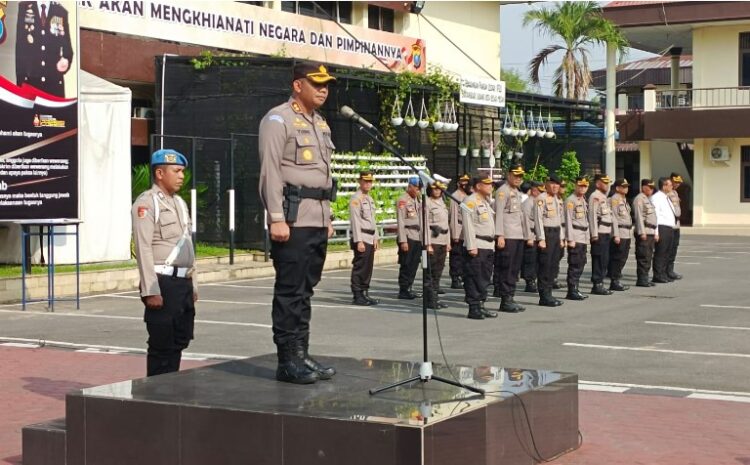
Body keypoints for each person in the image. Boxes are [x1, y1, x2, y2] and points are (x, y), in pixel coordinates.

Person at [258, 62, 337, 384]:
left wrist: (327, 216)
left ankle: (302, 353)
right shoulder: (278, 119)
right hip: (292, 219)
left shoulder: (321, 123)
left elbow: (324, 175)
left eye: (326, 84)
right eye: (316, 83)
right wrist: (276, 217)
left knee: (306, 290)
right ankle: (287, 360)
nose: (323, 89)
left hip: (316, 217)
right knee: (290, 291)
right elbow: (270, 172)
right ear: (297, 85)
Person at [132, 149, 197, 377]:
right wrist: (151, 289)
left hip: (182, 284)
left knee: (179, 340)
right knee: (162, 344)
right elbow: (143, 247)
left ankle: (171, 391)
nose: (181, 176)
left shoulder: (179, 203)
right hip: (163, 282)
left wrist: (193, 284)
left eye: (182, 171)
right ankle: (157, 397)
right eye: (176, 171)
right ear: (160, 173)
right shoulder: (147, 203)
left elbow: (187, 244)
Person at [15, 1, 74, 97]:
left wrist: (66, 60)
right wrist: (21, 85)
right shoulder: (24, 8)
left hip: (53, 86)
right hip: (31, 83)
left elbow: (68, 49)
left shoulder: (60, 11)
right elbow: (20, 48)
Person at [461, 175, 499, 320]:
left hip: (487, 245)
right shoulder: (469, 201)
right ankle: (474, 307)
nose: (491, 186)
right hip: (477, 244)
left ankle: (481, 305)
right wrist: (471, 245)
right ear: (478, 186)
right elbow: (468, 224)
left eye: (491, 184)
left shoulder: (485, 202)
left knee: (484, 277)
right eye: (487, 184)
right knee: (474, 276)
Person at [493, 164, 527, 313]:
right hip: (507, 235)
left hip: (517, 234)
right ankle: (505, 299)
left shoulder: (517, 192)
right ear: (509, 175)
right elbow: (499, 213)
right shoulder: (503, 191)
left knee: (514, 268)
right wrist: (499, 234)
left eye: (520, 176)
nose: (518, 178)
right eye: (516, 175)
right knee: (507, 267)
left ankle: (510, 296)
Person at [531, 175, 565, 307]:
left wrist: (561, 237)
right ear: (547, 184)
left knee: (553, 265)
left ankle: (549, 292)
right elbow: (538, 220)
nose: (556, 186)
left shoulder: (557, 199)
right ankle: (544, 295)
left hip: (556, 233)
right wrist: (541, 238)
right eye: (553, 184)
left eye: (558, 184)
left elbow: (559, 220)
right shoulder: (541, 199)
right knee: (545, 265)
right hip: (546, 233)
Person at [349, 171, 379, 306]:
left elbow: (373, 220)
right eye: (365, 181)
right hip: (361, 236)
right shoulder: (356, 198)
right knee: (360, 267)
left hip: (370, 236)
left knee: (368, 268)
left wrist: (376, 237)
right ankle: (357, 294)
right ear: (360, 182)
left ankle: (364, 292)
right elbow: (355, 221)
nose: (368, 184)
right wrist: (358, 240)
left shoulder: (369, 199)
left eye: (370, 181)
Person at [588, 174, 616, 296]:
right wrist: (594, 234)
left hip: (606, 232)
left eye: (608, 183)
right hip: (599, 232)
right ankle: (597, 284)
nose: (607, 185)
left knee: (604, 259)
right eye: (604, 182)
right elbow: (593, 216)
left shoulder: (603, 197)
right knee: (599, 258)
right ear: (598, 183)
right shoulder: (595, 197)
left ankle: (600, 282)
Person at [425, 181, 451, 309]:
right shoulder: (427, 203)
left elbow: (447, 224)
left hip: (442, 240)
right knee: (430, 271)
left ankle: (435, 298)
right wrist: (427, 244)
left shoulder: (442, 202)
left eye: (439, 189)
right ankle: (429, 300)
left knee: (438, 272)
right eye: (434, 189)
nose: (437, 191)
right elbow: (424, 225)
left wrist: (448, 242)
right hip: (433, 241)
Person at [396, 176, 423, 299]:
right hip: (408, 235)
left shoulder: (417, 200)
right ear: (410, 186)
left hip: (417, 236)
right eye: (416, 188)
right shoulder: (403, 200)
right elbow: (401, 221)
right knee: (406, 264)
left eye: (419, 188)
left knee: (414, 264)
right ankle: (403, 289)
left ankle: (409, 287)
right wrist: (403, 240)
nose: (418, 191)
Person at [564, 177, 590, 300]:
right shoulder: (571, 200)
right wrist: (570, 238)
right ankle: (572, 290)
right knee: (574, 264)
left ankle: (576, 288)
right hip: (575, 236)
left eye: (585, 186)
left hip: (583, 236)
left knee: (581, 262)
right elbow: (568, 220)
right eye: (580, 185)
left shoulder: (583, 200)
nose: (582, 188)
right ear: (575, 185)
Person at [607, 178, 632, 291]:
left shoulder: (623, 199)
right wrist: (615, 234)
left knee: (623, 257)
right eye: (623, 186)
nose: (626, 188)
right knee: (617, 257)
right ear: (617, 188)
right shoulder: (615, 199)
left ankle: (616, 277)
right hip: (620, 232)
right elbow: (614, 218)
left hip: (626, 232)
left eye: (627, 186)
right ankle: (614, 280)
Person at [633, 179, 658, 287]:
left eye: (652, 188)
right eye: (649, 187)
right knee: (643, 256)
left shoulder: (647, 200)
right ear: (643, 187)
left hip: (650, 231)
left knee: (648, 256)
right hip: (645, 232)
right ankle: (642, 279)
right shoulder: (639, 199)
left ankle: (645, 278)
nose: (651, 190)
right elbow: (638, 217)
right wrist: (641, 232)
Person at [651, 177, 676, 283]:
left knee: (667, 252)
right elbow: (655, 215)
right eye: (670, 185)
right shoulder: (657, 198)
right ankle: (658, 275)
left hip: (669, 227)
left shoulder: (666, 197)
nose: (672, 186)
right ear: (664, 186)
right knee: (660, 252)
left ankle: (664, 273)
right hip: (662, 227)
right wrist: (656, 232)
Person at [448, 174, 471, 289]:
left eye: (467, 181)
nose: (465, 183)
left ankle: (462, 276)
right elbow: (453, 215)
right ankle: (455, 278)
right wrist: (454, 234)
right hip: (458, 228)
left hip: (466, 230)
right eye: (463, 181)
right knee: (456, 256)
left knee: (464, 256)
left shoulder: (469, 196)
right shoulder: (455, 196)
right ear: (458, 183)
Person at [521, 181, 542, 293]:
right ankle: (530, 282)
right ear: (534, 191)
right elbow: (525, 222)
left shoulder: (538, 202)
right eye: (540, 191)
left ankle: (535, 279)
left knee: (538, 260)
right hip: (531, 235)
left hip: (538, 235)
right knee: (530, 260)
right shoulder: (528, 203)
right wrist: (528, 237)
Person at [667, 172, 684, 280]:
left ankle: (670, 270)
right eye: (676, 182)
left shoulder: (675, 193)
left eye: (679, 182)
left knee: (674, 248)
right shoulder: (667, 193)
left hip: (676, 225)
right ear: (671, 181)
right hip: (669, 225)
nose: (677, 184)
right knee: (668, 249)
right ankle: (665, 271)